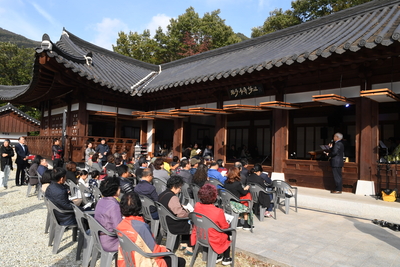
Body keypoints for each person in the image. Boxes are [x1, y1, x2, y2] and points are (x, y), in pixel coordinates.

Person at [116, 192, 186, 267]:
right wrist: (166, 250)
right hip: (143, 262)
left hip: (126, 262)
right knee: (179, 261)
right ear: (139, 207)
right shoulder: (141, 227)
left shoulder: (120, 225)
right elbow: (154, 251)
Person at [191, 184, 232, 265]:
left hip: (200, 235)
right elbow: (224, 226)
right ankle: (226, 258)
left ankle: (218, 256)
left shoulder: (197, 205)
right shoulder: (218, 211)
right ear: (214, 196)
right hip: (213, 238)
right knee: (227, 232)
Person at [158, 176, 193, 255]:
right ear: (174, 187)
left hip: (165, 222)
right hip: (173, 224)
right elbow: (180, 214)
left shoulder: (162, 194)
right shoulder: (173, 197)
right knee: (191, 222)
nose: (180, 190)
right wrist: (189, 214)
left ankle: (184, 243)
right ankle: (189, 247)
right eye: (179, 187)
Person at [94, 176, 122, 252]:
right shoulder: (114, 206)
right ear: (115, 190)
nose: (120, 189)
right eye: (119, 187)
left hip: (99, 237)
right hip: (111, 241)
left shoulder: (101, 201)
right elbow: (119, 228)